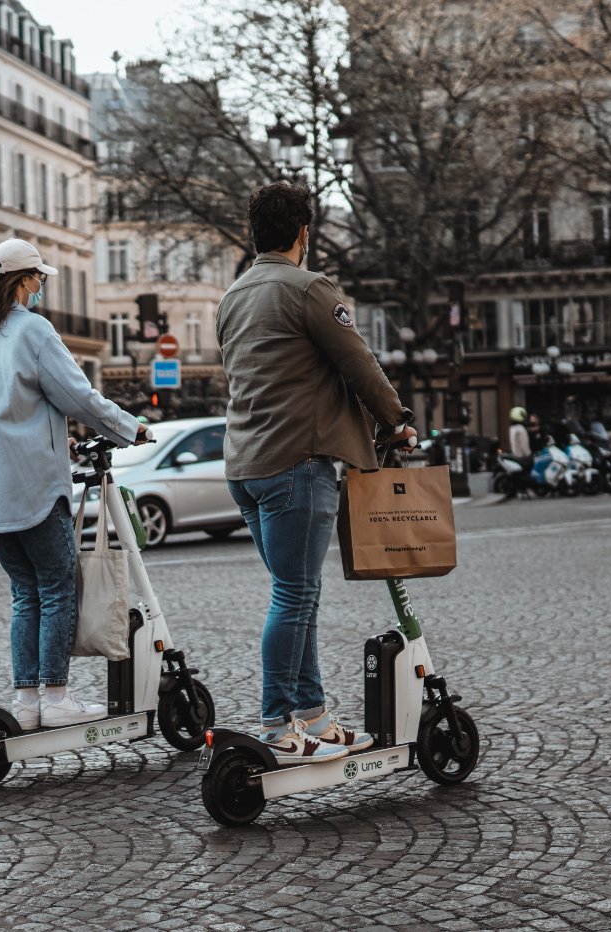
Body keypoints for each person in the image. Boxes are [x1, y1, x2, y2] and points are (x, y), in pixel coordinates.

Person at [216, 181, 415, 763]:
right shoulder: (308, 289)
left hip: (247, 466)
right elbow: (360, 363)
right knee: (295, 594)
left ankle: (314, 715)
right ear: (305, 232)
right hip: (297, 461)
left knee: (298, 594)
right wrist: (396, 420)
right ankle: (278, 723)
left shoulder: (233, 296)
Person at [0, 238, 148, 730]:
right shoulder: (32, 331)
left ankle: (27, 701)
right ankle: (57, 697)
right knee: (59, 586)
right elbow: (76, 396)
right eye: (38, 277)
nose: (41, 286)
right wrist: (131, 428)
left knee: (26, 591)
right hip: (31, 484)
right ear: (23, 281)